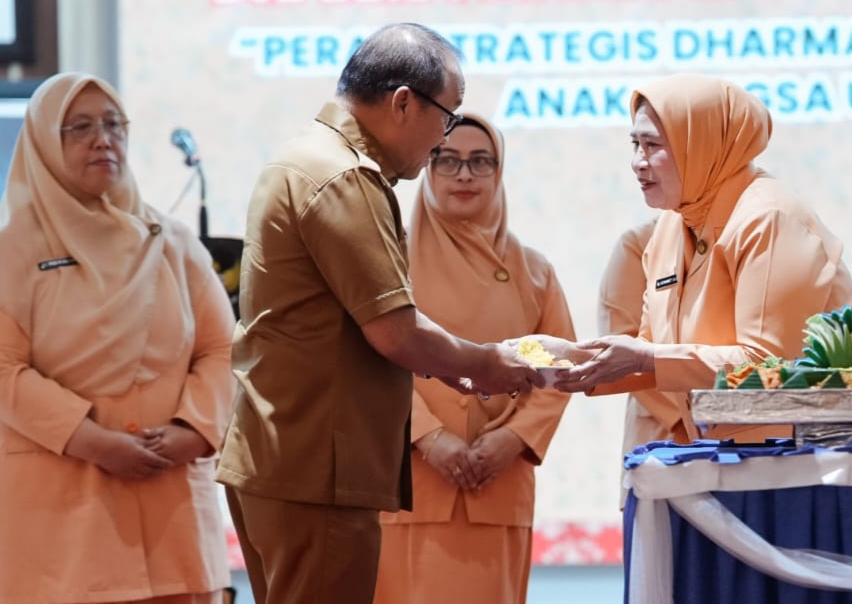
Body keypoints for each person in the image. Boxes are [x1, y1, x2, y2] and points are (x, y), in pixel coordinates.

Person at [215, 24, 541, 604]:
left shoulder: (303, 158)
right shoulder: (344, 177)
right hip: (316, 466)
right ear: (403, 103)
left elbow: (380, 316)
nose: (442, 140)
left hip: (286, 454)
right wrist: (487, 364)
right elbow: (394, 331)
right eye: (447, 118)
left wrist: (461, 367)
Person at [0, 73, 236, 603]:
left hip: (172, 504)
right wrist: (94, 442)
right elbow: (4, 370)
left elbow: (224, 349)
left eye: (113, 125)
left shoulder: (174, 243)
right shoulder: (12, 252)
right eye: (79, 128)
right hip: (62, 522)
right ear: (43, 143)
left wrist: (195, 430)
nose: (102, 140)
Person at [549, 73, 852, 445]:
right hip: (720, 452)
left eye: (652, 145)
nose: (638, 162)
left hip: (799, 455)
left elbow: (767, 366)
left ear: (701, 145)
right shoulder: (672, 225)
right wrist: (566, 362)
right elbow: (654, 350)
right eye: (635, 144)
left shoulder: (769, 218)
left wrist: (645, 358)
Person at [373, 113, 575, 604]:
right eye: (448, 160)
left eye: (480, 161)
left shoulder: (533, 270)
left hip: (497, 482)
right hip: (409, 479)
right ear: (428, 167)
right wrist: (427, 437)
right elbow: (369, 360)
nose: (464, 175)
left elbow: (560, 367)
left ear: (498, 171)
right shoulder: (389, 260)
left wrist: (514, 438)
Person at [595, 217, 664, 506]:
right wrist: (697, 413)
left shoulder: (755, 229)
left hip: (746, 438)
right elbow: (619, 351)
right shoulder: (639, 243)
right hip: (659, 436)